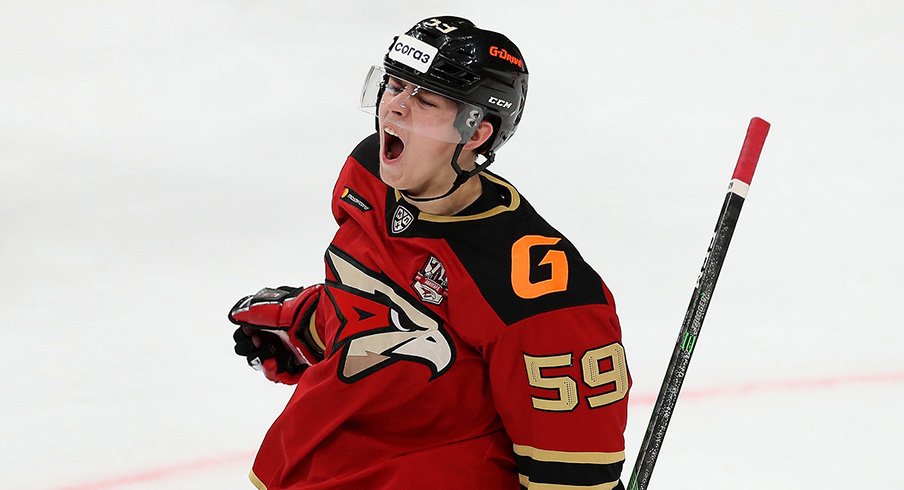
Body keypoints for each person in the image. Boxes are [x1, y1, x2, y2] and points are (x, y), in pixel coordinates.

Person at [229, 15, 630, 490]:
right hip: (310, 466)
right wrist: (310, 327)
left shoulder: (538, 291)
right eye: (395, 85)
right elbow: (395, 309)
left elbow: (572, 471)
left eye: (425, 99)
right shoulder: (368, 177)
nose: (395, 107)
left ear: (476, 131)